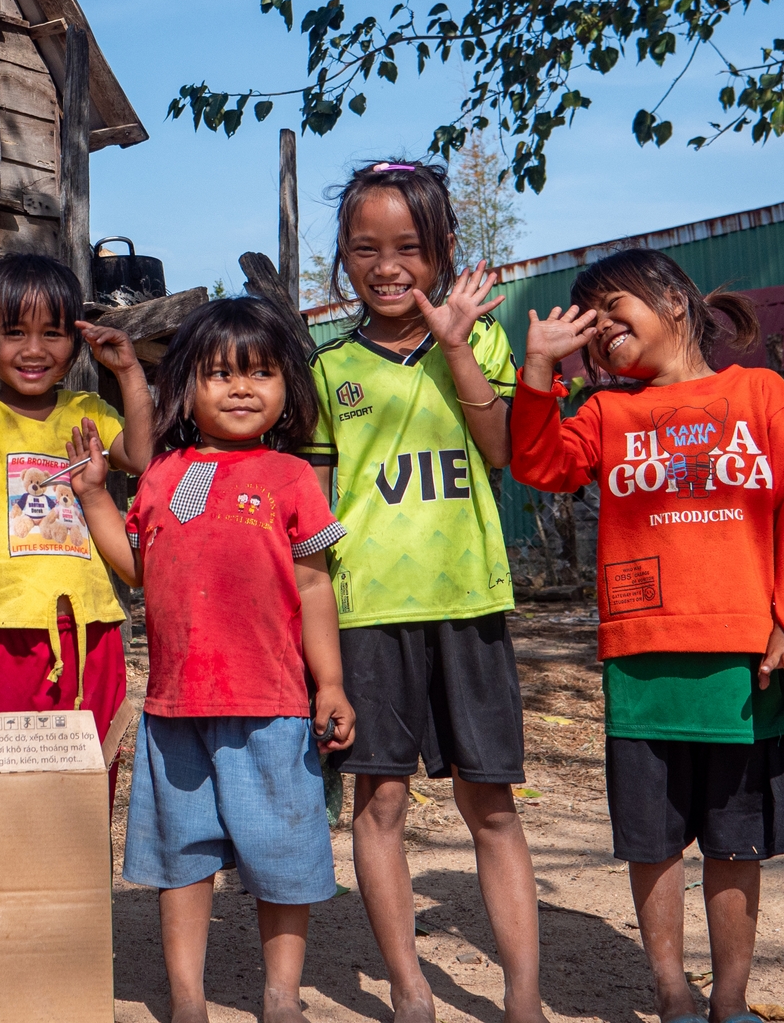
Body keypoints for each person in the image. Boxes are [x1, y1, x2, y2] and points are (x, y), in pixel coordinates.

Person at [512, 248, 784, 1023]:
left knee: (736, 842)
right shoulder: (605, 413)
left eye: (613, 310)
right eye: (587, 322)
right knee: (652, 840)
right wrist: (540, 368)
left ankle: (729, 1000)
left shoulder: (761, 393)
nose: (600, 331)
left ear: (673, 300)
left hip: (744, 667)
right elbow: (537, 462)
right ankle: (670, 992)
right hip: (640, 660)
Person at [301, 160, 549, 1023]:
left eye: (409, 245)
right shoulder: (329, 371)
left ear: (443, 250)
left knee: (492, 805)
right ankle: (409, 989)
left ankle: (523, 996)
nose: (388, 264)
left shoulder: (479, 340)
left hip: (468, 604)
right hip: (370, 612)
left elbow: (499, 449)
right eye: (365, 247)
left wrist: (453, 341)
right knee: (381, 802)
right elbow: (317, 508)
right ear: (342, 257)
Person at [65, 296, 353, 1023]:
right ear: (186, 390)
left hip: (272, 707)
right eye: (220, 373)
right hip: (175, 710)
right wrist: (96, 496)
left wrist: (332, 684)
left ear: (288, 387)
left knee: (282, 859)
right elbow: (137, 567)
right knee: (181, 861)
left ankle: (280, 995)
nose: (241, 387)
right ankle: (186, 999)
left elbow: (316, 587)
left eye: (260, 372)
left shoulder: (293, 478)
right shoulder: (166, 476)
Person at [0, 255, 153, 773]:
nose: (33, 351)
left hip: (87, 625)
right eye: (13, 333)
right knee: (0, 775)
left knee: (84, 773)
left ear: (76, 343)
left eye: (53, 334)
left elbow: (144, 457)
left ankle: (76, 859)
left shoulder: (87, 411)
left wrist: (128, 372)